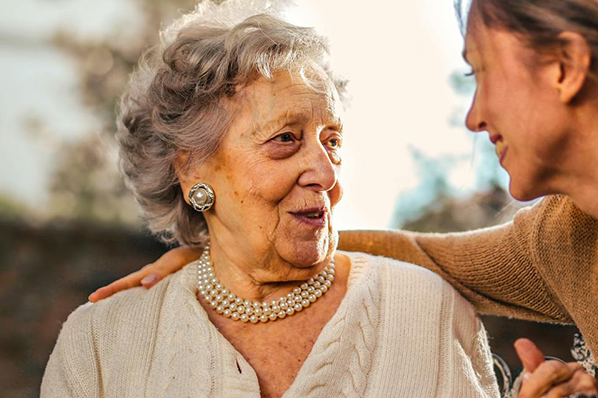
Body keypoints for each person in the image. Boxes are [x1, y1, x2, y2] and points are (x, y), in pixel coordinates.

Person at [89, 0, 598, 396]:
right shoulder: (563, 239)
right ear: (191, 167)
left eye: (480, 72)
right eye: (286, 139)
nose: (474, 116)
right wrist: (225, 252)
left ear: (566, 66)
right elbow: (422, 255)